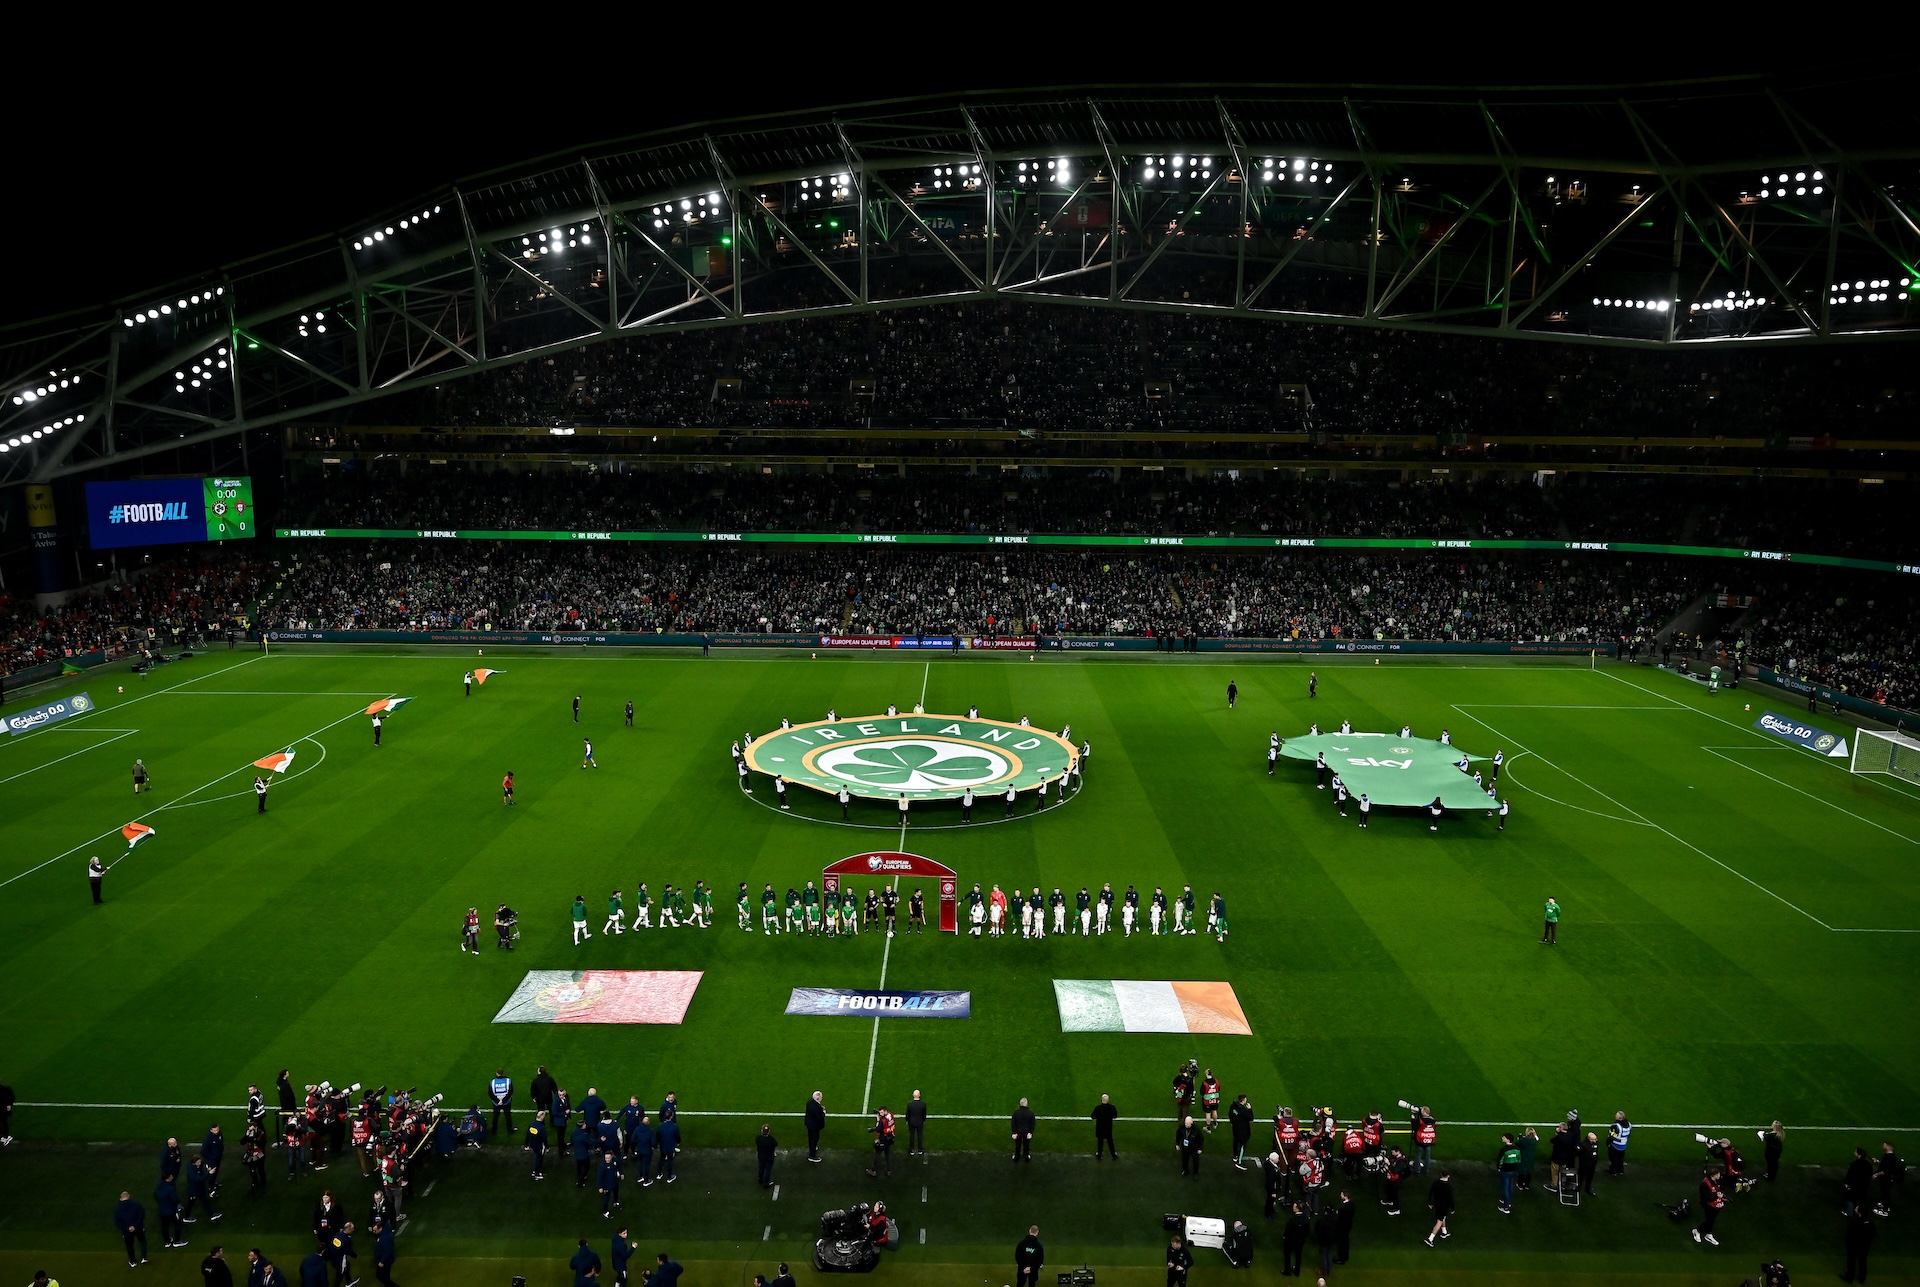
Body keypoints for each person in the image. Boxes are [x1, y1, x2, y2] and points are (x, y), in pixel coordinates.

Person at [116, 1189, 149, 1266]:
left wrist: (127, 1228)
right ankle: (144, 1258)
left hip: (127, 1232)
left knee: (129, 1245)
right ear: (129, 1196)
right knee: (142, 1241)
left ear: (120, 1198)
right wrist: (135, 1226)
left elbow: (117, 1222)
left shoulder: (118, 1208)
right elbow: (141, 1215)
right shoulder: (136, 1204)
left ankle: (133, 1261)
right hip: (138, 1228)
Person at [1692, 1169, 1724, 1245]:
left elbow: (1718, 1189)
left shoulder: (1716, 1181)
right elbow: (1706, 1197)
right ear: (1714, 1175)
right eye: (1718, 1174)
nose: (1719, 1176)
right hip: (1706, 1203)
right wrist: (1717, 1196)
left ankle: (1708, 1233)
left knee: (1711, 1219)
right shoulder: (1704, 1184)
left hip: (1715, 1203)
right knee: (1709, 1219)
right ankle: (1697, 1231)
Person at [1845, 1206, 1876, 1282]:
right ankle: (1862, 1278)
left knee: (1851, 1262)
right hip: (1865, 1246)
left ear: (1860, 1213)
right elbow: (1874, 1234)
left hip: (1854, 1246)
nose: (1855, 1209)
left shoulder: (1855, 1222)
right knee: (1862, 1262)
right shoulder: (1871, 1222)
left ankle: (1849, 1277)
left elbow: (1849, 1234)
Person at [1424, 1170, 1454, 1247]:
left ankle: (1444, 1232)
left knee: (1441, 1218)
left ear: (1441, 1174)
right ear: (1448, 1176)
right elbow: (1451, 1199)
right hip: (1444, 1207)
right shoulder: (1448, 1187)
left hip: (1437, 1205)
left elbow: (1430, 1192)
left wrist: (1430, 1202)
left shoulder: (1436, 1182)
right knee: (1439, 1221)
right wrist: (1453, 1209)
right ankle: (1430, 1239)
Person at [1876, 1141, 1904, 1214]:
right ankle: (1884, 1204)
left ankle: (1885, 1210)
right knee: (1884, 1192)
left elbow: (1886, 1171)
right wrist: (1877, 1161)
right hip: (1885, 1178)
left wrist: (1876, 1174)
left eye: (1884, 1145)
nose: (1883, 1146)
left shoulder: (1890, 1157)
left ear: (1889, 1147)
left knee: (1885, 1193)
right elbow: (1885, 1164)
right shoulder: (1888, 1156)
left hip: (1886, 1178)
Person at [1494, 1133, 1520, 1213]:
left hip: (1505, 1171)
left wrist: (1499, 1168)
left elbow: (1500, 1160)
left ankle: (1506, 1206)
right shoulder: (1517, 1148)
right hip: (1513, 1170)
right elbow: (1519, 1159)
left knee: (1505, 1187)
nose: (1502, 1138)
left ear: (1508, 1140)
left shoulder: (1504, 1150)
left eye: (1504, 1137)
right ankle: (1507, 1200)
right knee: (1510, 1186)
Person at [1281, 1203, 1309, 1276]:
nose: (1293, 1208)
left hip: (1290, 1241)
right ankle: (1297, 1271)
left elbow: (1288, 1230)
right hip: (1300, 1241)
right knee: (1298, 1256)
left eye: (1294, 1207)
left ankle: (1287, 1271)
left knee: (1287, 1255)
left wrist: (1285, 1236)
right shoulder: (1305, 1218)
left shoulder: (1293, 1219)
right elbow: (1307, 1231)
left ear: (1297, 1208)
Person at [1230, 1094, 1255, 1169]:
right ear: (1243, 1101)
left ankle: (1235, 1156)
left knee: (1235, 1141)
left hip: (1235, 1128)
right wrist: (1250, 1109)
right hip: (1243, 1131)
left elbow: (1230, 1115)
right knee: (1242, 1145)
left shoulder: (1233, 1106)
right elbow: (1251, 1118)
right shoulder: (1243, 1110)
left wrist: (1233, 1123)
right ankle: (1239, 1162)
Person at [1091, 1094, 1118, 1159]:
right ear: (1108, 1100)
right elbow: (1115, 1116)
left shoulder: (1098, 1108)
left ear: (1101, 1100)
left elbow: (1092, 1116)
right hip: (1108, 1128)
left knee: (1100, 1141)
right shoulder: (1112, 1107)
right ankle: (1113, 1154)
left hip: (1100, 1128)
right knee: (1110, 1141)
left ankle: (1099, 1155)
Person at [598, 1150, 623, 1217]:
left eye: (608, 1158)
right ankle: (605, 1211)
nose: (607, 1159)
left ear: (611, 1157)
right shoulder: (602, 1166)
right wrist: (600, 1187)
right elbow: (599, 1177)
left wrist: (621, 1173)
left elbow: (618, 1166)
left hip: (615, 1182)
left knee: (616, 1193)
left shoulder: (614, 1161)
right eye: (606, 1158)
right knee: (607, 1198)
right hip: (607, 1185)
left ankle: (615, 1202)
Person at [1011, 1098, 1036, 1163]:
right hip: (1027, 1133)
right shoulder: (1030, 1113)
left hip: (1018, 1132)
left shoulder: (1016, 1113)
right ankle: (1026, 1156)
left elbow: (1013, 1123)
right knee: (1026, 1145)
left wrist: (1014, 1132)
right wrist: (1030, 1132)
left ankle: (1016, 1156)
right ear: (1027, 1104)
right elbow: (1033, 1124)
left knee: (1018, 1144)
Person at [906, 1091, 928, 1155]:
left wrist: (907, 1120)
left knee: (912, 1136)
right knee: (920, 1135)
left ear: (913, 1095)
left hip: (911, 1122)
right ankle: (920, 1150)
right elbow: (924, 1114)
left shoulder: (910, 1104)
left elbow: (908, 1114)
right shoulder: (923, 1104)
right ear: (919, 1095)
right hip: (920, 1122)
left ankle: (911, 1150)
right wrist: (923, 1120)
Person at [805, 1092, 825, 1162]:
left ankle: (812, 1148)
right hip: (814, 1126)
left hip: (809, 1124)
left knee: (811, 1138)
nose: (821, 1098)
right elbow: (820, 1116)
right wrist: (823, 1112)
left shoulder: (810, 1102)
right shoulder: (816, 1107)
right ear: (817, 1098)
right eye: (821, 1097)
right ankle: (812, 1156)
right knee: (814, 1139)